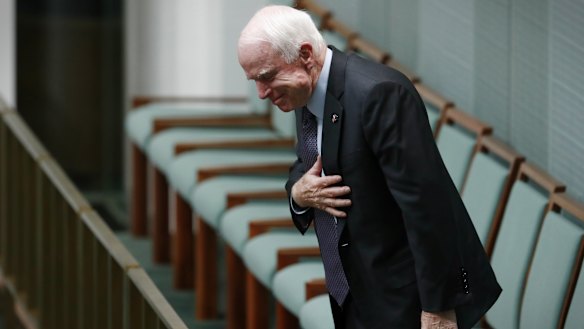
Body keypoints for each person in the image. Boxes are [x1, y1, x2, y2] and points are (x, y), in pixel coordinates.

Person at [238, 5, 501, 329]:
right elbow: (307, 161)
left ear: (305, 55)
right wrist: (298, 192)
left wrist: (438, 308)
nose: (262, 93)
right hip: (354, 290)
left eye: (265, 77)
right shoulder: (301, 90)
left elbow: (427, 208)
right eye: (255, 81)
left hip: (405, 300)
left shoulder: (379, 94)